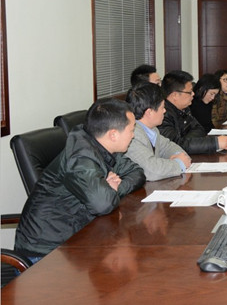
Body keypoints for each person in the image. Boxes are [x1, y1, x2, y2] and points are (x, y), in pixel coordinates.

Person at [14, 98, 146, 259]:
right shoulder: (80, 158)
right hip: (45, 252)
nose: (133, 135)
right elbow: (103, 204)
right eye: (131, 130)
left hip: (77, 238)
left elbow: (137, 173)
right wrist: (107, 191)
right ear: (113, 134)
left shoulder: (101, 145)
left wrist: (114, 189)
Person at [125, 83, 192, 181]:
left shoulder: (152, 129)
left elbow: (168, 146)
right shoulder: (132, 135)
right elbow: (152, 171)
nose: (164, 111)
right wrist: (179, 163)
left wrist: (180, 156)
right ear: (149, 112)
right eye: (162, 107)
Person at [159, 70, 227, 154]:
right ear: (175, 95)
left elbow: (199, 129)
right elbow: (175, 146)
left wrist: (185, 141)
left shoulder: (185, 109)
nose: (193, 94)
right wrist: (215, 143)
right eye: (189, 92)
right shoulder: (162, 115)